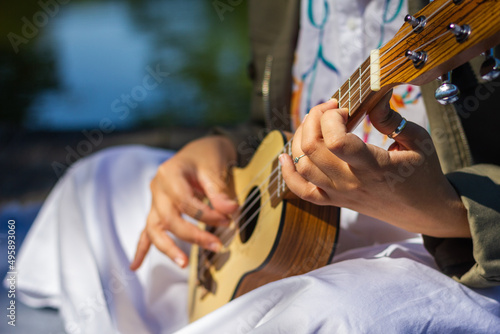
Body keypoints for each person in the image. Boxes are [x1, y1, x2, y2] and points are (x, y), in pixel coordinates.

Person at [12, 0, 500, 333]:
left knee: (330, 315)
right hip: (284, 211)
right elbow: (271, 126)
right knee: (97, 182)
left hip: (446, 252)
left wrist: (444, 209)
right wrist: (222, 151)